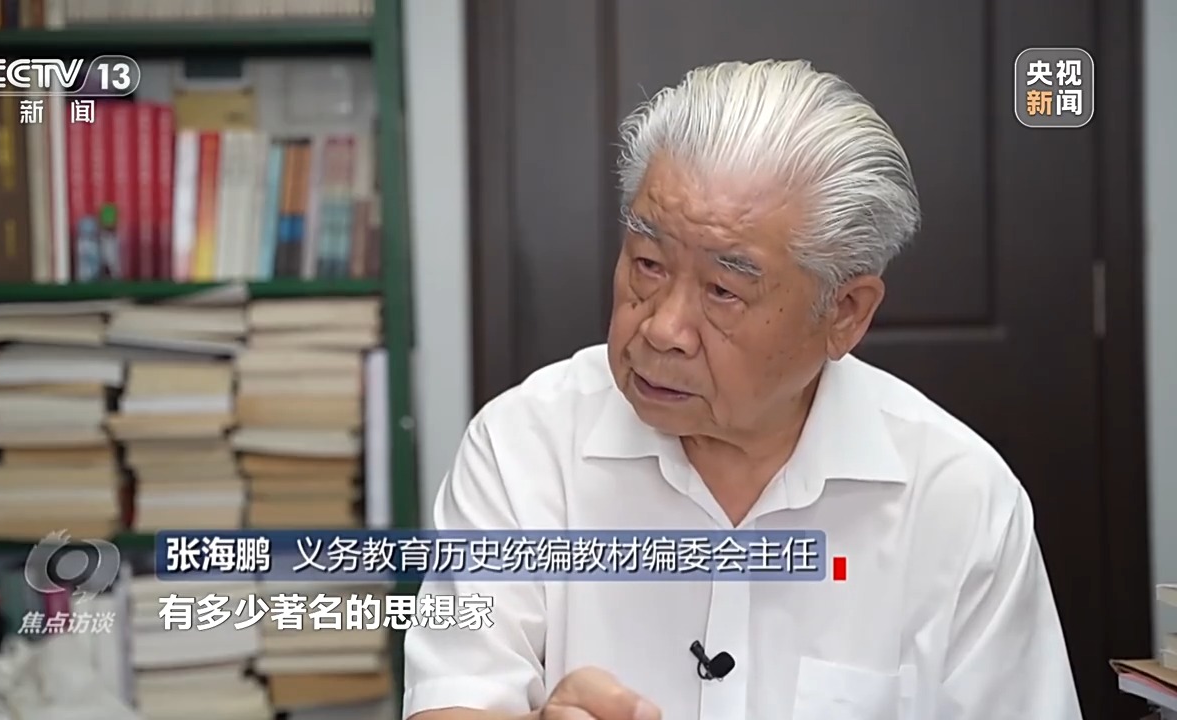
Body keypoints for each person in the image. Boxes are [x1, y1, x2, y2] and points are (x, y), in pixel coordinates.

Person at [403, 59, 1081, 720]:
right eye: (647, 264)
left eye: (724, 291)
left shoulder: (957, 499)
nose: (663, 329)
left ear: (844, 313)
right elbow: (455, 693)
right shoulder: (522, 447)